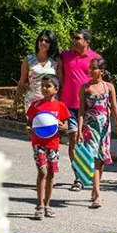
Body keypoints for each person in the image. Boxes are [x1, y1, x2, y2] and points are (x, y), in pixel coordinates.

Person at [57, 28, 100, 191]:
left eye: (78, 38)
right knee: (73, 140)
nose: (74, 40)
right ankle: (78, 178)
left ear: (87, 42)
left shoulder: (95, 59)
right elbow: (59, 74)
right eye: (73, 37)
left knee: (88, 142)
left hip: (89, 107)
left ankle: (89, 174)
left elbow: (101, 81)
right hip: (69, 105)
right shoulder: (65, 56)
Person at [77, 57, 117, 208]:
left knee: (101, 159)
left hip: (104, 127)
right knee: (94, 158)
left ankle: (95, 189)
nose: (90, 71)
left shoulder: (108, 87)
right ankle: (97, 193)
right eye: (89, 68)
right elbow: (82, 112)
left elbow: (114, 107)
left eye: (93, 68)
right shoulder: (84, 88)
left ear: (101, 71)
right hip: (90, 127)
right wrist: (79, 130)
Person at [26, 75, 71, 220]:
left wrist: (62, 126)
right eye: (43, 86)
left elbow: (66, 125)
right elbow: (29, 123)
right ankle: (39, 205)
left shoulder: (60, 106)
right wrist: (29, 129)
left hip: (53, 144)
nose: (44, 88)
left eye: (48, 86)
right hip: (38, 143)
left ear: (56, 89)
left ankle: (47, 205)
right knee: (43, 172)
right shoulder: (36, 106)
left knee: (51, 174)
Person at [14, 30, 59, 113]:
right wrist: (15, 103)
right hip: (32, 102)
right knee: (32, 125)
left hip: (51, 102)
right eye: (41, 40)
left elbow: (61, 84)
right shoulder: (28, 59)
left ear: (51, 43)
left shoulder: (56, 61)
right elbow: (22, 82)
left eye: (47, 41)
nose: (43, 42)